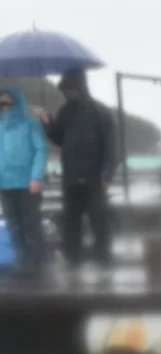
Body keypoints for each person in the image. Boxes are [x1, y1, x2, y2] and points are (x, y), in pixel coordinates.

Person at [39, 68, 117, 270]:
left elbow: (111, 148)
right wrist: (48, 125)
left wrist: (106, 175)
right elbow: (59, 139)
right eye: (64, 89)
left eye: (69, 88)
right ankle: (73, 257)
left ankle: (103, 256)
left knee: (98, 218)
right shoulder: (65, 111)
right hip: (71, 175)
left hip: (94, 177)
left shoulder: (100, 111)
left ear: (81, 87)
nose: (66, 93)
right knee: (71, 220)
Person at [0, 87, 48, 278]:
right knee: (13, 224)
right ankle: (22, 260)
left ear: (17, 104)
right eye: (1, 104)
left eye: (8, 103)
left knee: (31, 224)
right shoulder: (0, 127)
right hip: (5, 184)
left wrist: (36, 177)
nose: (5, 107)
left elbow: (41, 150)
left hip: (28, 184)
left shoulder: (30, 125)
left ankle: (36, 263)